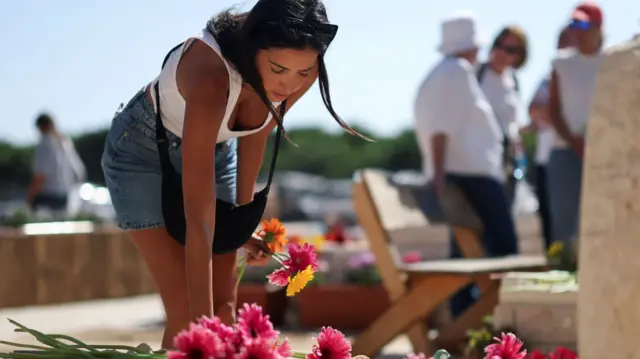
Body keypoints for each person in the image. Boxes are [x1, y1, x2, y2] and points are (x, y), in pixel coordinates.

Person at [101, 0, 362, 349]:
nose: (289, 84)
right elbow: (199, 218)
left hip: (217, 147)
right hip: (141, 152)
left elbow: (256, 131)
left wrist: (241, 225)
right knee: (186, 315)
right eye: (278, 68)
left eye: (302, 73)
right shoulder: (211, 77)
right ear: (253, 48)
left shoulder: (303, 68)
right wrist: (205, 336)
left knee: (227, 308)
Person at [414, 12, 518, 318]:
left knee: (465, 250)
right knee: (504, 248)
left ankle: (465, 320)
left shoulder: (441, 73)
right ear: (470, 47)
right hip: (471, 176)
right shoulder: (457, 72)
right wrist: (440, 177)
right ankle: (489, 320)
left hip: (462, 175)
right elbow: (441, 131)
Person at [547, 2, 603, 244]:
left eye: (582, 24)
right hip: (565, 153)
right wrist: (573, 141)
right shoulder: (561, 63)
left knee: (603, 221)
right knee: (565, 226)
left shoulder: (614, 61)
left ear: (598, 27)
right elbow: (554, 109)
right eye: (573, 24)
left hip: (605, 153)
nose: (576, 31)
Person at [525, 27, 574, 250]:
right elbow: (535, 109)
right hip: (548, 157)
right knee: (552, 220)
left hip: (579, 155)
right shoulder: (549, 76)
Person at [476, 25, 529, 210]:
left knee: (504, 215)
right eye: (498, 45)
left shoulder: (513, 81)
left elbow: (514, 122)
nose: (500, 52)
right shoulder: (476, 73)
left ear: (519, 56)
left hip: (508, 159)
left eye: (510, 49)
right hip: (480, 160)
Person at [28, 113, 86, 213]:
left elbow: (41, 176)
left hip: (50, 197)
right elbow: (80, 173)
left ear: (40, 127)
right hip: (67, 197)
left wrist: (30, 199)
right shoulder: (66, 143)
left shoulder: (44, 144)